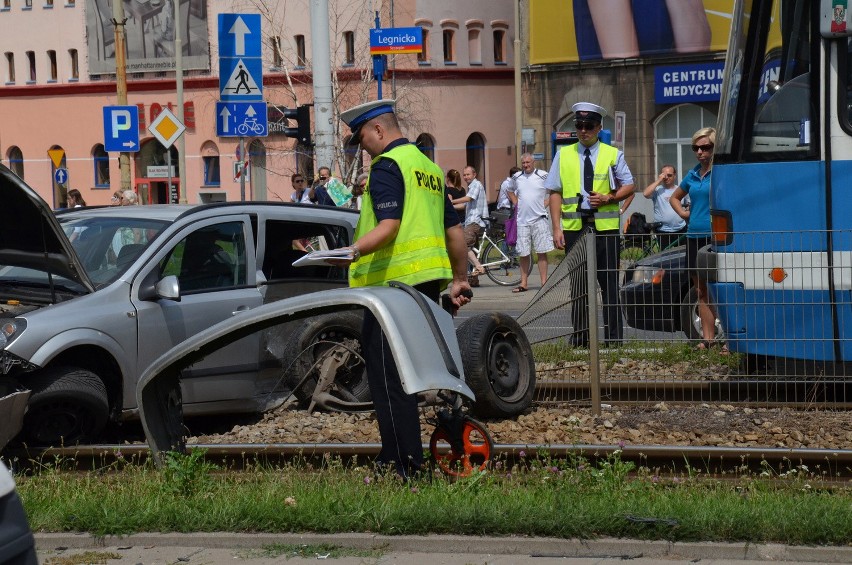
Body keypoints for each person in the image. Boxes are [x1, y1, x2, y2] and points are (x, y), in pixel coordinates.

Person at [334, 99, 472, 479]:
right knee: (408, 375)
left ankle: (402, 465)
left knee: (387, 378)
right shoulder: (427, 168)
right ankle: (404, 459)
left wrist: (350, 251)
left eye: (363, 139)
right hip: (425, 284)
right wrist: (460, 279)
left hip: (391, 288)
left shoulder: (386, 167)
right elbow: (454, 232)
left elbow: (390, 225)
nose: (363, 148)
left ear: (379, 130)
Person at [546, 102, 635, 348]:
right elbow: (554, 191)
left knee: (609, 286)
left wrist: (610, 197)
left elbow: (630, 185)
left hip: (605, 230)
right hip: (575, 229)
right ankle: (582, 338)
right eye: (579, 126)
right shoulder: (563, 155)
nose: (583, 130)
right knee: (579, 287)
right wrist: (556, 228)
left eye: (589, 126)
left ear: (599, 127)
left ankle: (614, 340)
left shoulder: (612, 154)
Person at [670, 127, 728, 354]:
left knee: (722, 288)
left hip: (717, 236)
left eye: (705, 147)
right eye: (696, 148)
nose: (700, 152)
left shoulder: (722, 172)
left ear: (715, 148)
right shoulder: (693, 174)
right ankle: (708, 339)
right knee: (700, 290)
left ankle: (730, 340)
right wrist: (685, 215)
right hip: (694, 236)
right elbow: (675, 197)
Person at [509, 154, 553, 293]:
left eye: (528, 162)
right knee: (523, 253)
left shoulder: (543, 175)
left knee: (541, 252)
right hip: (522, 221)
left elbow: (555, 191)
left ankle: (544, 282)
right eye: (523, 163)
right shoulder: (516, 177)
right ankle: (523, 283)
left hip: (539, 218)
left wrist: (546, 203)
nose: (526, 165)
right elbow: (509, 190)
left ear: (533, 162)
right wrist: (516, 202)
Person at [451, 166, 488, 282]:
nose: (466, 177)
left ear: (474, 174)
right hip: (471, 221)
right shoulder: (471, 187)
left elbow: (468, 199)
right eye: (464, 175)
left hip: (475, 221)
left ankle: (478, 266)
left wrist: (451, 201)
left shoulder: (476, 185)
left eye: (468, 174)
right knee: (474, 250)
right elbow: (464, 205)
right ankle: (474, 279)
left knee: (463, 245)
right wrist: (450, 207)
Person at [641, 164, 687, 250]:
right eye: (664, 175)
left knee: (682, 255)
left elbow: (687, 206)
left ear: (674, 176)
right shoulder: (657, 190)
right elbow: (645, 193)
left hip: (680, 228)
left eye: (669, 175)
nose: (667, 178)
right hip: (663, 230)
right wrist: (659, 180)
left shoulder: (680, 190)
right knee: (665, 258)